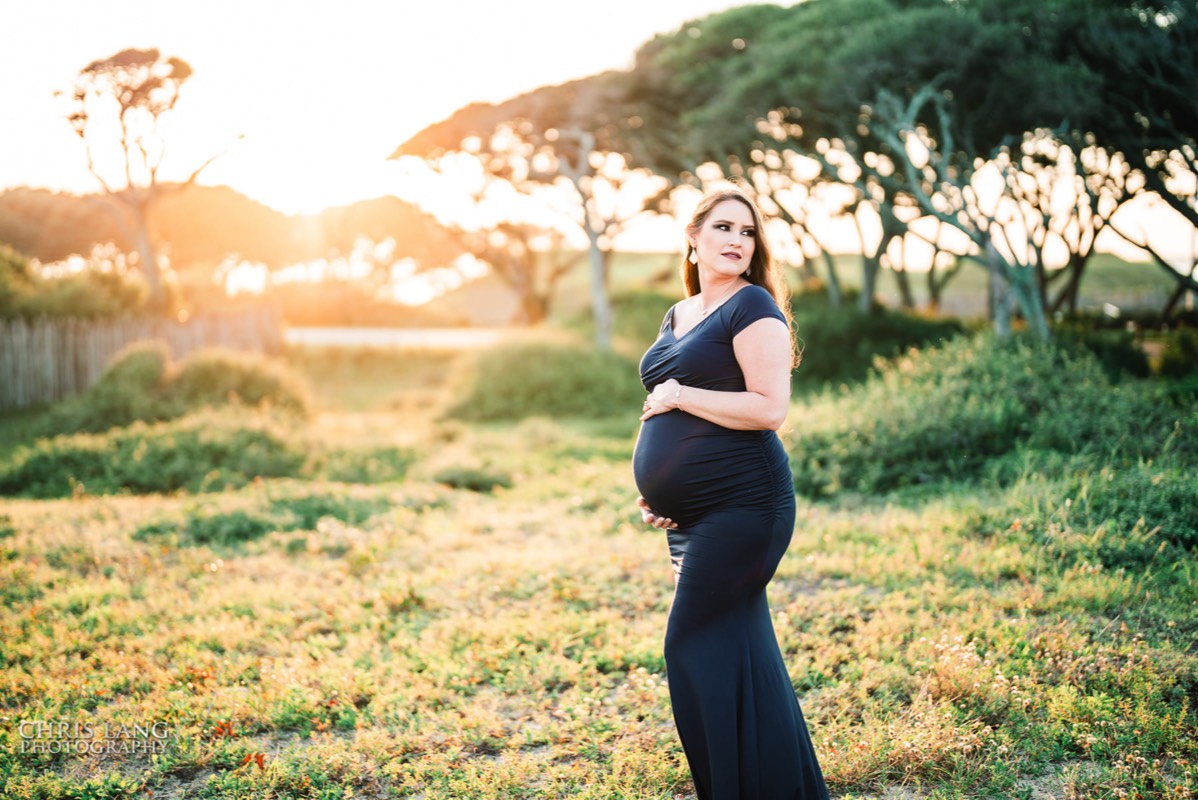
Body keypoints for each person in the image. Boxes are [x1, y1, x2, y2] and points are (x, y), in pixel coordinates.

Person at [632, 184, 829, 800]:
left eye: (746, 233)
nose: (736, 242)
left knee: (692, 644)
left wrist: (680, 396)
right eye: (722, 228)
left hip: (747, 506)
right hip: (699, 511)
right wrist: (662, 493)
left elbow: (769, 408)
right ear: (692, 237)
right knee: (744, 650)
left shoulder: (754, 309)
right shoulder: (680, 313)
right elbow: (665, 414)